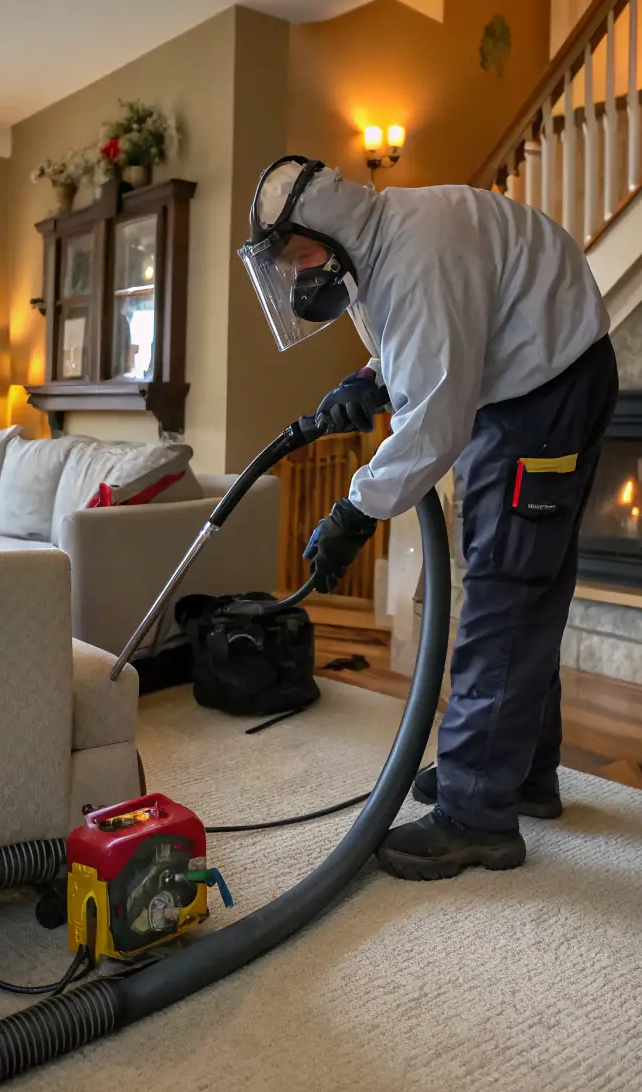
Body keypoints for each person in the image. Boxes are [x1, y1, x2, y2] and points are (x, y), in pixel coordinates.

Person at [238, 157, 618, 881]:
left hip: (545, 391)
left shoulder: (416, 252)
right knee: (520, 586)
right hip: (521, 385)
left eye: (300, 256)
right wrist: (365, 379)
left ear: (331, 228)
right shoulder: (382, 248)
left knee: (505, 594)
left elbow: (434, 421)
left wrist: (354, 509)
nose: (298, 277)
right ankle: (522, 772)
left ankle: (478, 814)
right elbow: (421, 349)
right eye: (287, 267)